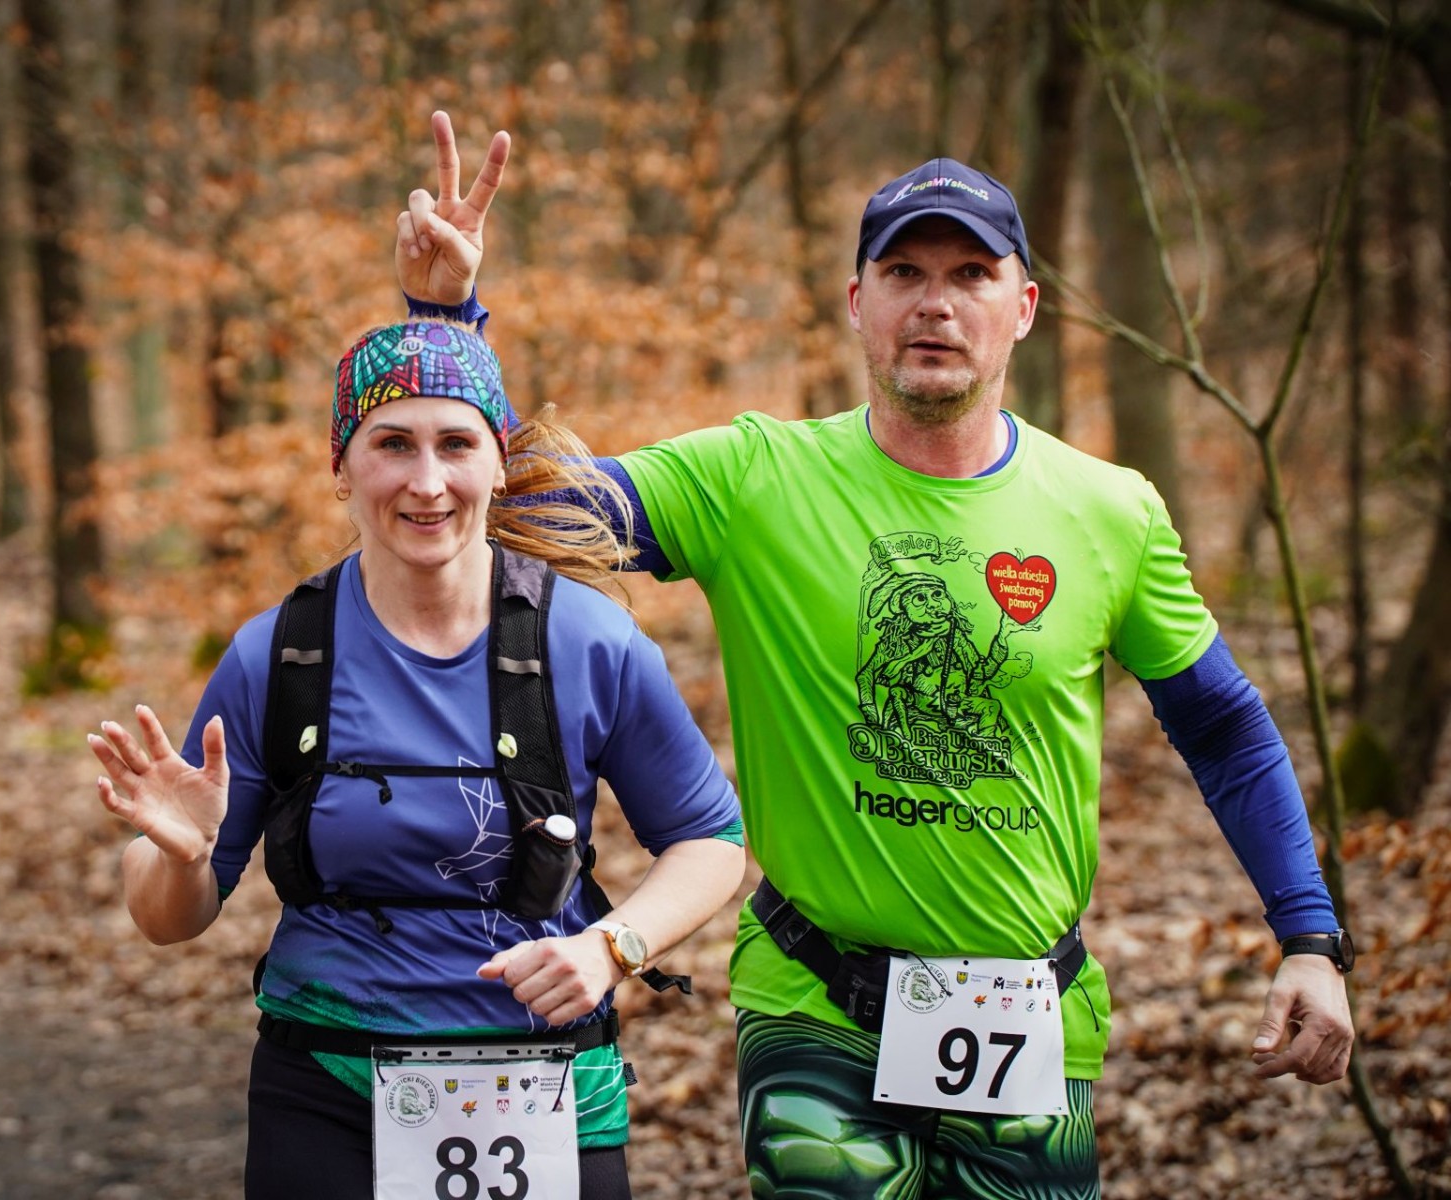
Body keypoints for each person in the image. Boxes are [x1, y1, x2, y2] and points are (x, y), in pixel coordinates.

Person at [394, 111, 1354, 1199]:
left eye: (970, 273)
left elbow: (1223, 726)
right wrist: (448, 318)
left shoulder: (1109, 510)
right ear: (859, 303)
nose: (934, 301)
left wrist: (1309, 938)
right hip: (817, 1010)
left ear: (1023, 307)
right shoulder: (755, 481)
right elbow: (531, 507)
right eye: (902, 270)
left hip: (1027, 1021)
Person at [87, 317, 746, 1200]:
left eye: (456, 444)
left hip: (543, 1085)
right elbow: (171, 918)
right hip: (326, 1088)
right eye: (392, 444)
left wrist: (611, 947)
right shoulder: (278, 656)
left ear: (500, 461)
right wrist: (183, 856)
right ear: (342, 468)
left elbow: (711, 842)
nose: (427, 482)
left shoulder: (589, 642)